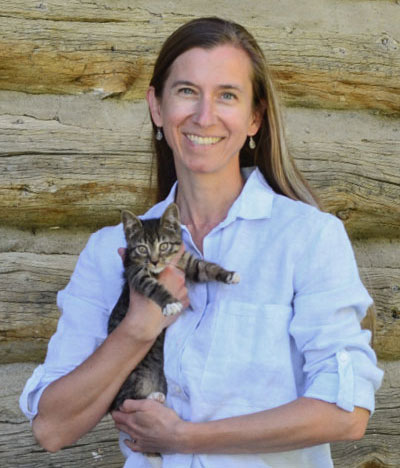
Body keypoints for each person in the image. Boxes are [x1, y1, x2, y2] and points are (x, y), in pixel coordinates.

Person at [20, 17, 383, 468]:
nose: (204, 116)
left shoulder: (307, 238)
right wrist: (137, 328)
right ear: (157, 106)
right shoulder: (108, 249)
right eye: (187, 91)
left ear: (254, 118)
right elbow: (52, 427)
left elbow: (346, 412)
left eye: (226, 95)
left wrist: (185, 437)